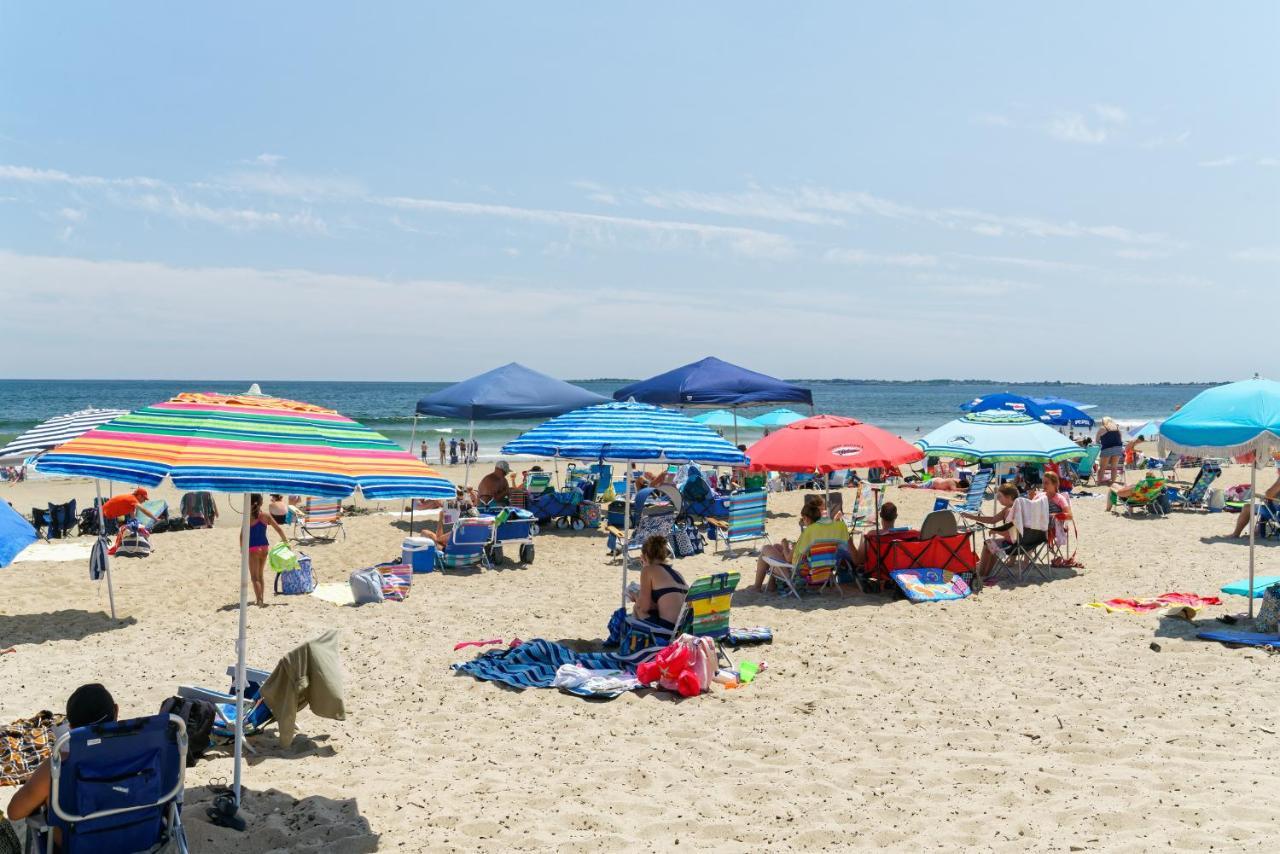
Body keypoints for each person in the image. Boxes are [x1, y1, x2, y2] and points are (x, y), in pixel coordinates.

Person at [7, 684, 118, 827]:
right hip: (136, 838)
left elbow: (14, 812)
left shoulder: (59, 765)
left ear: (71, 727)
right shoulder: (143, 751)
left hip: (78, 844)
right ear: (116, 711)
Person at [752, 498, 846, 592]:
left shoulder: (807, 533)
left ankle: (757, 587)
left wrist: (785, 546)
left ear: (807, 518)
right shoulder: (828, 533)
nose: (802, 521)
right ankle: (771, 586)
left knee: (766, 549)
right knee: (776, 547)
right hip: (822, 572)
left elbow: (789, 559)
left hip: (799, 575)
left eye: (803, 518)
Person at [959, 484, 1020, 578]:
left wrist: (996, 531)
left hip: (1013, 545)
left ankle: (981, 573)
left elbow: (1010, 534)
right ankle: (985, 572)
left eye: (1000, 496)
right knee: (992, 545)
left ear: (1009, 497)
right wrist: (971, 516)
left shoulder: (1009, 511)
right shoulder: (1016, 507)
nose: (998, 499)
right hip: (1022, 543)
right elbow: (993, 520)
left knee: (988, 544)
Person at [631, 535, 689, 629]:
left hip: (667, 629)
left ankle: (635, 642)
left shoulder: (648, 570)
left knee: (637, 608)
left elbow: (643, 607)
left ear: (644, 556)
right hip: (684, 629)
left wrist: (635, 596)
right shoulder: (677, 574)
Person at [243, 493, 289, 607]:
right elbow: (278, 529)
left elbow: (242, 535)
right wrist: (286, 542)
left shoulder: (248, 517)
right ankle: (261, 599)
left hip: (252, 548)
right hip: (264, 547)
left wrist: (241, 549)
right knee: (260, 575)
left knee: (254, 577)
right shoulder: (266, 516)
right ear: (261, 503)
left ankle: (259, 600)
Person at [848, 501, 904, 568]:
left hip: (876, 573)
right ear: (896, 516)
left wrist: (849, 541)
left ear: (880, 515)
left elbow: (858, 561)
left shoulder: (871, 535)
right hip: (895, 573)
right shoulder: (903, 535)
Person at [1230, 467, 1280, 537]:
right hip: (1275, 508)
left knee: (1247, 508)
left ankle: (1235, 534)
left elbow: (1269, 493)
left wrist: (1267, 495)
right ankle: (1257, 532)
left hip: (1276, 512)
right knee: (1264, 506)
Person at [1096, 416, 1125, 486]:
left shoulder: (1103, 428)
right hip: (1118, 448)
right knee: (1114, 467)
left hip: (1107, 448)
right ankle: (1113, 482)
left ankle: (1099, 482)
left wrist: (1101, 443)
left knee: (1103, 467)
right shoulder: (1117, 427)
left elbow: (1097, 440)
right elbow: (1121, 439)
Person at [900, 476, 971, 492]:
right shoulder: (952, 483)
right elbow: (954, 490)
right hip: (933, 483)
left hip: (936, 480)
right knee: (918, 487)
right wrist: (965, 489)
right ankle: (906, 485)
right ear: (960, 485)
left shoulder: (958, 481)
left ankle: (915, 481)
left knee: (922, 483)